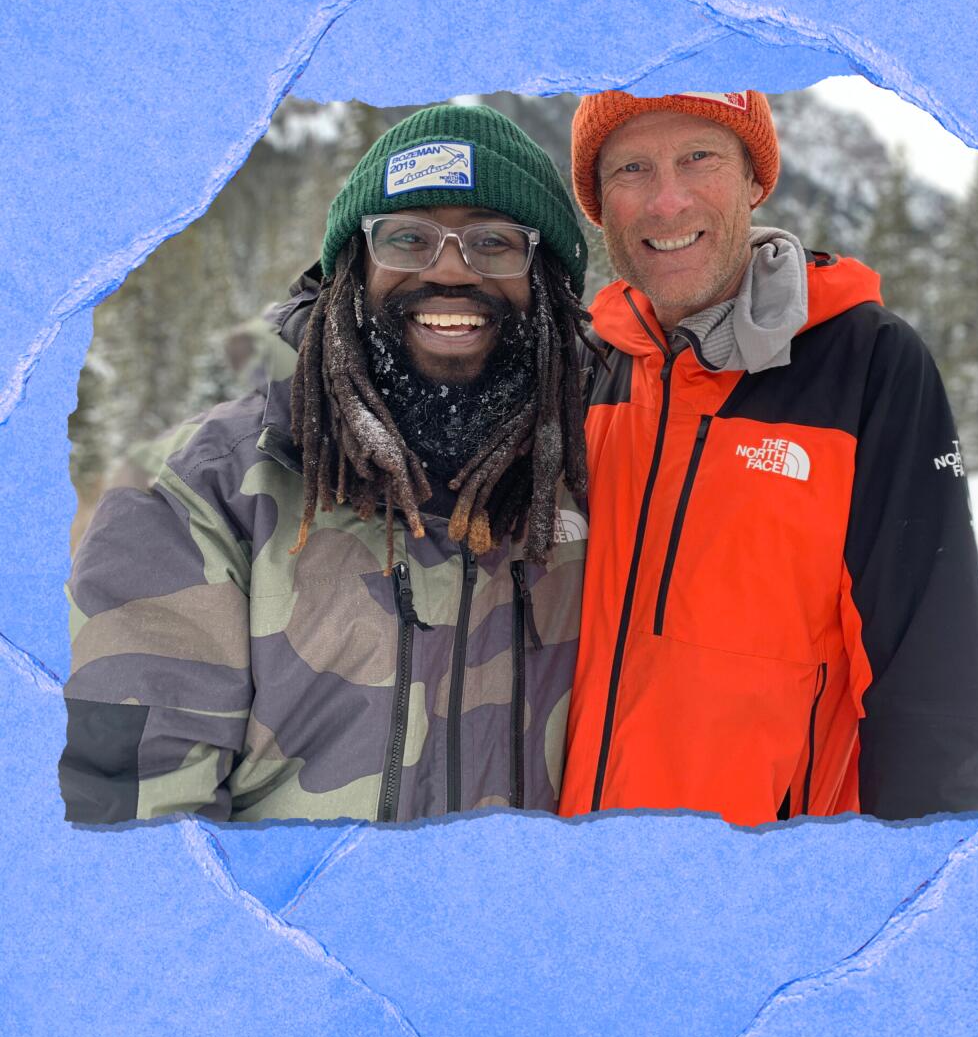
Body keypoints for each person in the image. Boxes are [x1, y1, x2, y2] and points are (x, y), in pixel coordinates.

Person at [60, 104, 593, 823]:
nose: (449, 269)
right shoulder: (201, 491)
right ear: (349, 272)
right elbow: (138, 829)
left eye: (494, 242)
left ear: (550, 284)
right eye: (406, 239)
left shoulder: (604, 481)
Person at [559, 90, 978, 824]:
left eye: (699, 158)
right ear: (600, 206)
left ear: (756, 180)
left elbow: (935, 687)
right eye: (631, 169)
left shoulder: (864, 365)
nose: (666, 201)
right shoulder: (581, 370)